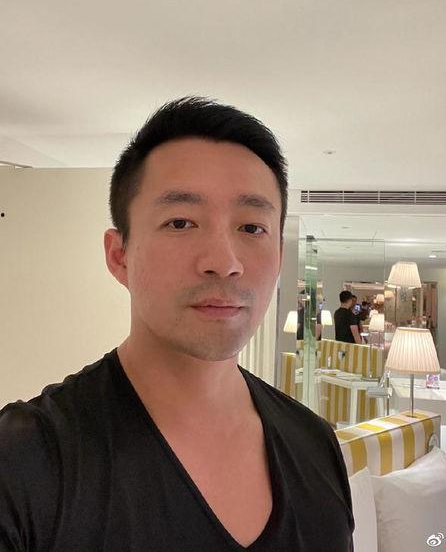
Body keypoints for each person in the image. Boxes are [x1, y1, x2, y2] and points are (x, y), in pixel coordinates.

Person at [0, 97, 354, 551]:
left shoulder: (316, 444)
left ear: (280, 256)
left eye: (252, 228)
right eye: (181, 222)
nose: (224, 262)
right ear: (119, 256)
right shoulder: (28, 460)